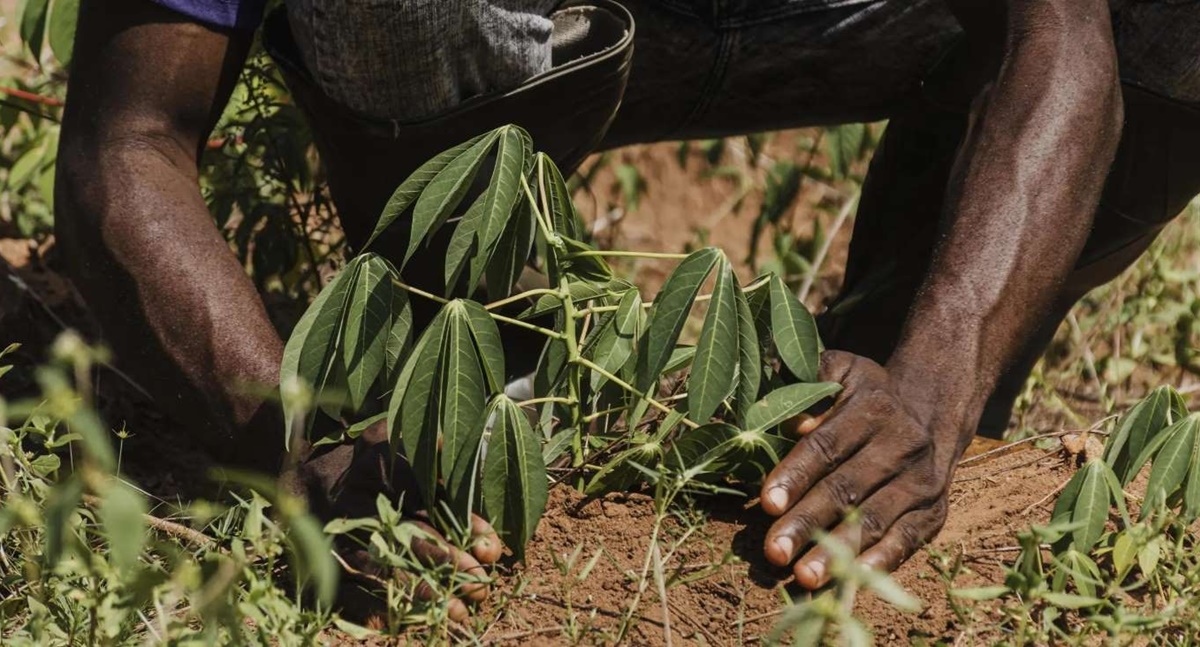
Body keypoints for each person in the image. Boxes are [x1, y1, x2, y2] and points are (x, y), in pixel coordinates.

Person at [55, 0, 1200, 620]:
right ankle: (474, 380)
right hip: (510, 37)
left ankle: (871, 399)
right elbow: (127, 143)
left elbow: (1063, 38)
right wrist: (295, 439)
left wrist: (940, 374)